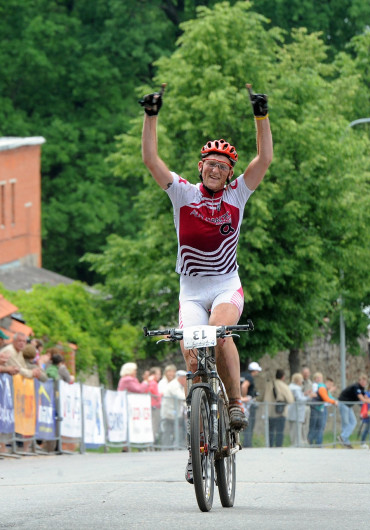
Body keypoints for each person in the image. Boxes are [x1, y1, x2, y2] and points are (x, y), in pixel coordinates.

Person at [139, 82, 272, 436]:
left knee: (218, 333)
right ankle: (196, 442)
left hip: (226, 286)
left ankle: (234, 403)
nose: (216, 170)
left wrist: (261, 115)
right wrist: (150, 116)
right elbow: (151, 160)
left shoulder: (238, 193)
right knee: (192, 356)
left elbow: (265, 160)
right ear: (200, 167)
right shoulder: (182, 193)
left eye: (223, 166)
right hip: (192, 290)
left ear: (230, 173)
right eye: (210, 164)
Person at [337, 374, 370, 449]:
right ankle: (344, 439)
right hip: (344, 404)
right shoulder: (356, 387)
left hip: (349, 406)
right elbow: (362, 399)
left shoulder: (362, 389)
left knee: (353, 422)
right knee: (346, 423)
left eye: (365, 381)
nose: (364, 382)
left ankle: (344, 438)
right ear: (359, 380)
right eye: (362, 380)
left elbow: (366, 397)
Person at [261, 369, 293, 447]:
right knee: (279, 431)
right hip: (280, 412)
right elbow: (290, 400)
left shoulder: (269, 385)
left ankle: (270, 445)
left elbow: (262, 397)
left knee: (270, 431)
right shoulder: (284, 386)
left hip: (269, 412)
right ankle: (278, 446)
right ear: (283, 377)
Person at [307, 372, 336, 445]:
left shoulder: (323, 387)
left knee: (320, 426)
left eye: (320, 378)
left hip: (321, 407)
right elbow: (325, 397)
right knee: (315, 426)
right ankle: (312, 442)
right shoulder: (318, 386)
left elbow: (328, 396)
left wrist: (334, 400)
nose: (319, 379)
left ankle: (317, 443)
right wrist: (334, 402)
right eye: (317, 378)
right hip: (316, 407)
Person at [161, 369, 187, 448]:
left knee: (179, 429)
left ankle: (178, 445)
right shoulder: (174, 385)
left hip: (175, 412)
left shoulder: (179, 385)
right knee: (168, 431)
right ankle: (166, 447)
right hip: (170, 413)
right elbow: (181, 397)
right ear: (181, 378)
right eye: (186, 379)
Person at [240, 361, 262, 447]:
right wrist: (243, 397)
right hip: (246, 403)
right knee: (248, 423)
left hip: (239, 401)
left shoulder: (242, 374)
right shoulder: (250, 377)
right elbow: (244, 386)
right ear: (254, 370)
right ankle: (247, 443)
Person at [287, 373, 311, 447]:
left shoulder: (291, 387)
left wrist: (304, 394)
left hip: (292, 411)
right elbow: (300, 400)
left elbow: (297, 396)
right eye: (301, 380)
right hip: (297, 412)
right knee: (297, 429)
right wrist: (309, 397)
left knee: (293, 430)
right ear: (298, 380)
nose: (302, 382)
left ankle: (294, 443)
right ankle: (296, 444)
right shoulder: (296, 388)